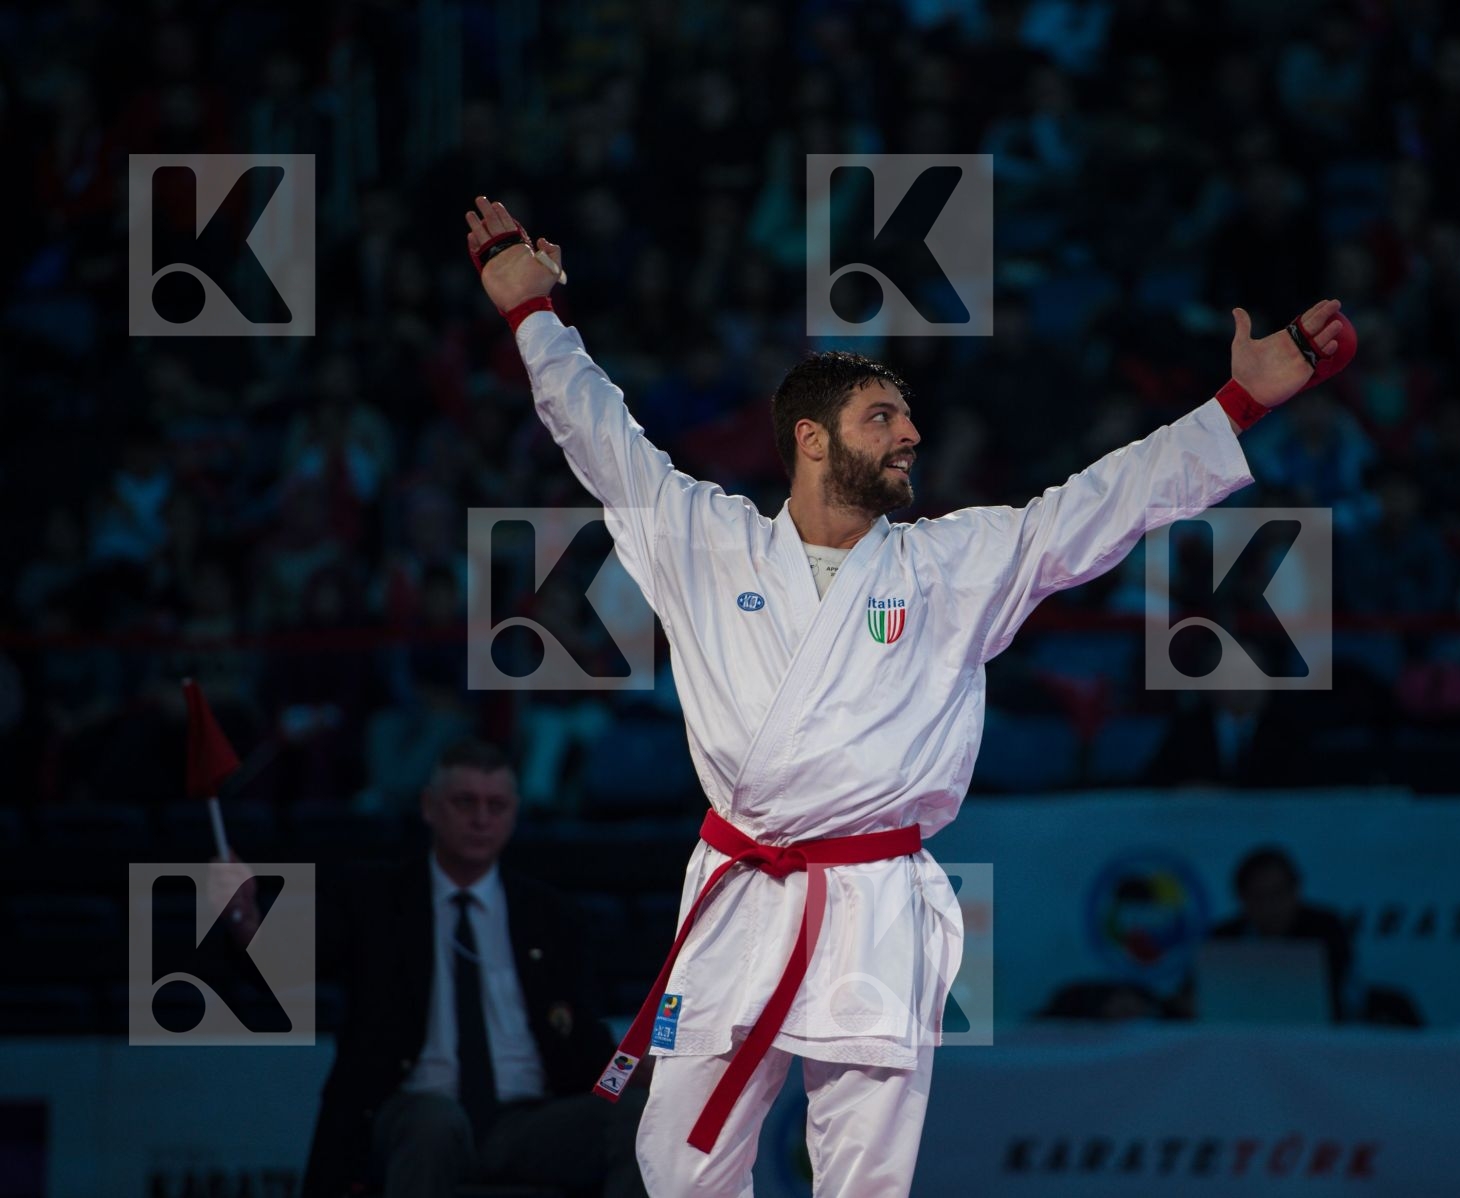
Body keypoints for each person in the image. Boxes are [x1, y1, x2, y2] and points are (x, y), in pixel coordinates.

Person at [462, 194, 1356, 1197]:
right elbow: (601, 438)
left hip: (877, 896)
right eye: (882, 416)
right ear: (810, 437)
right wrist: (533, 317)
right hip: (740, 885)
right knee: (678, 1159)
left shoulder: (951, 562)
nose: (910, 435)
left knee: (865, 1176)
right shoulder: (704, 540)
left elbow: (1099, 504)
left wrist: (1235, 408)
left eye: (909, 417)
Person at [213, 740, 646, 1198]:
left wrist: (643, 1071)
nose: (481, 818)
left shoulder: (551, 916)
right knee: (434, 1122)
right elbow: (282, 970)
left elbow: (587, 1045)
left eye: (496, 805)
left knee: (636, 1114)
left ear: (514, 814)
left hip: (528, 1122)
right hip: (410, 1114)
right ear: (429, 807)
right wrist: (244, 922)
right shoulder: (374, 899)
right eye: (465, 803)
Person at [1187, 846, 1354, 1021]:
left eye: (1278, 893)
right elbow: (1196, 992)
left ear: (1295, 890)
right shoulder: (1221, 939)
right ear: (1241, 898)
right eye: (1258, 896)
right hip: (1239, 1039)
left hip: (1312, 1039)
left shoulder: (1325, 929)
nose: (1269, 906)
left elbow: (1335, 991)